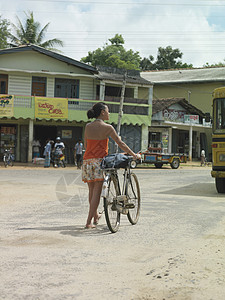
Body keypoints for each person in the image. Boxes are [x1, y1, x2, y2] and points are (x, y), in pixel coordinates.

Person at [82, 102, 141, 229]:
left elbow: (86, 146)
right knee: (97, 192)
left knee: (91, 192)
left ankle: (96, 216)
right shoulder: (107, 127)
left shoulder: (88, 126)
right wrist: (133, 154)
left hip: (87, 161)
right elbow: (121, 143)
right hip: (99, 162)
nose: (109, 113)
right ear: (102, 112)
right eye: (108, 111)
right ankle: (88, 222)